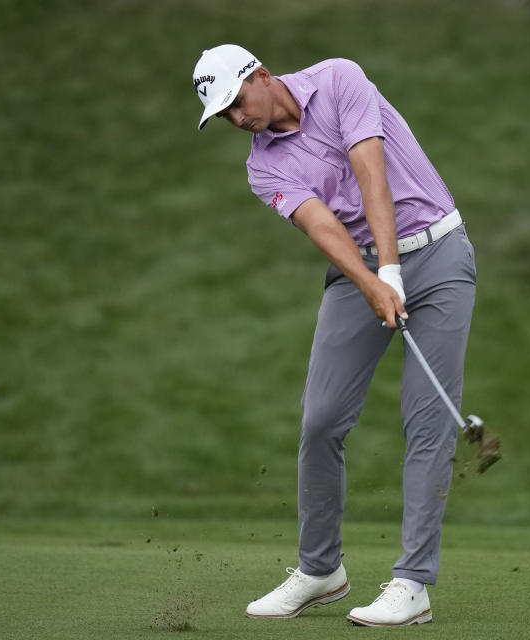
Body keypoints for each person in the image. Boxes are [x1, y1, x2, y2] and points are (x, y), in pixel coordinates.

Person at [192, 44, 477, 627]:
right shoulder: (261, 166)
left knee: (426, 421)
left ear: (262, 77)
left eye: (237, 102)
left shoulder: (340, 78)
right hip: (357, 275)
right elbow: (322, 225)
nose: (237, 119)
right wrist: (372, 282)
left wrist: (391, 271)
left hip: (440, 253)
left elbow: (370, 169)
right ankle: (321, 570)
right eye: (225, 115)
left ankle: (413, 583)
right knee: (321, 418)